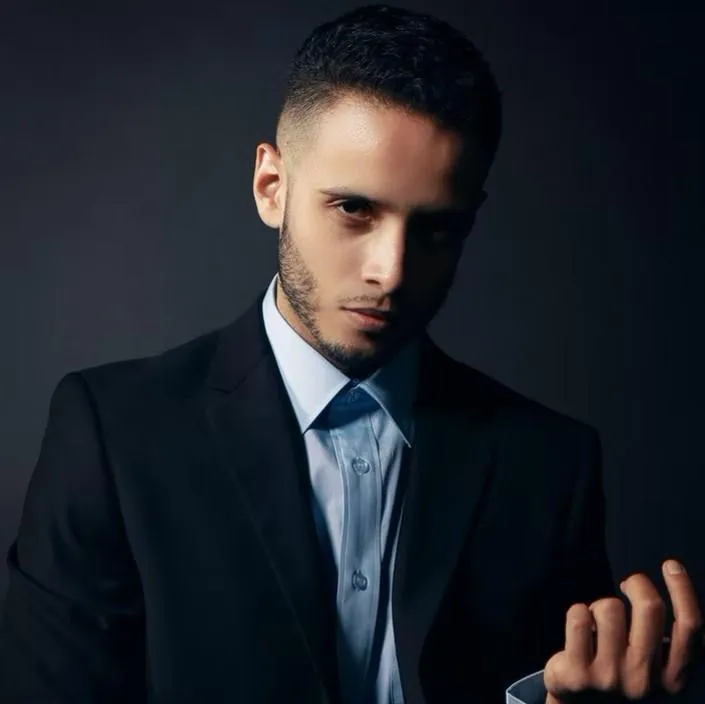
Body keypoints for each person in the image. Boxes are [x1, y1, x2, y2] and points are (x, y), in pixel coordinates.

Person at [0, 4, 702, 703]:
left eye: (435, 229)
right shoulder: (115, 435)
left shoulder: (549, 466)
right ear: (271, 188)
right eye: (353, 209)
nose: (390, 272)